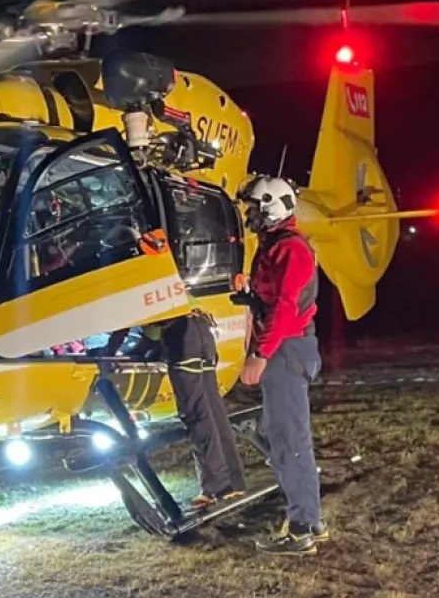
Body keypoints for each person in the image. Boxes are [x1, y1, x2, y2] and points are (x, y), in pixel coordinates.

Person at [238, 175, 328, 556]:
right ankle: (307, 521)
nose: (250, 215)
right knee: (282, 435)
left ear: (273, 207)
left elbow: (286, 309)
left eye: (255, 208)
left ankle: (303, 528)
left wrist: (260, 354)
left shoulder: (290, 249)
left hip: (286, 349)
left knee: (290, 440)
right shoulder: (276, 245)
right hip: (288, 347)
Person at [107, 303, 247, 510]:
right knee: (214, 412)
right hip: (202, 330)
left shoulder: (132, 286)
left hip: (182, 339)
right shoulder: (157, 275)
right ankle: (234, 481)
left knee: (197, 416)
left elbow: (144, 332)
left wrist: (111, 350)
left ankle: (216, 487)